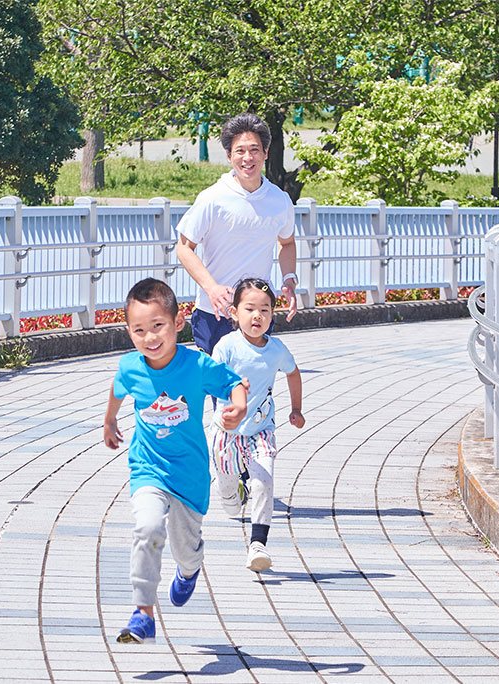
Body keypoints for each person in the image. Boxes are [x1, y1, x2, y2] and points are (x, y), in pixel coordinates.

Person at [102, 278, 248, 644]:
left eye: (157, 327)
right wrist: (108, 421)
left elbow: (234, 384)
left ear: (177, 323)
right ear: (128, 332)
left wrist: (239, 406)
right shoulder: (130, 367)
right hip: (148, 469)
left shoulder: (196, 365)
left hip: (189, 477)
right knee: (148, 528)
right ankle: (143, 613)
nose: (150, 338)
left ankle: (189, 570)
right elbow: (118, 391)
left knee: (185, 548)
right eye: (139, 330)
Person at [176, 112, 300, 357]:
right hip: (215, 312)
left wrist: (289, 279)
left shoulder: (280, 200)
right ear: (229, 155)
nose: (247, 158)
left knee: (252, 386)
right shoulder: (213, 198)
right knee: (215, 387)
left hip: (256, 312)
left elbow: (287, 243)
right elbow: (183, 247)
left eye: (254, 150)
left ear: (265, 152)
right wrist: (211, 288)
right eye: (240, 151)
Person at [210, 278, 305, 573]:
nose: (257, 316)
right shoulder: (227, 346)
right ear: (234, 313)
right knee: (227, 496)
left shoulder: (276, 349)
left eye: (265, 310)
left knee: (264, 481)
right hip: (226, 431)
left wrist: (297, 409)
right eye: (249, 308)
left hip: (261, 430)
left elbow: (293, 373)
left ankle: (258, 545)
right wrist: (230, 397)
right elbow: (211, 380)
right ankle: (234, 492)